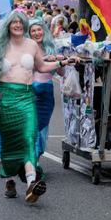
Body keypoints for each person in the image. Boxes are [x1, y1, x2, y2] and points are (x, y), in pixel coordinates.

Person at [0, 11, 75, 202]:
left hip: (26, 97)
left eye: (20, 22)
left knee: (28, 138)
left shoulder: (31, 45)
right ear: (8, 25)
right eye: (14, 22)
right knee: (10, 142)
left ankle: (32, 184)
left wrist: (63, 61)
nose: (17, 25)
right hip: (5, 99)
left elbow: (41, 67)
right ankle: (10, 179)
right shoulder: (0, 46)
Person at [28, 18, 65, 178]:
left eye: (39, 30)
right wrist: (43, 60)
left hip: (47, 93)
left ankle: (36, 158)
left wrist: (58, 60)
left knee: (42, 130)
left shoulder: (51, 48)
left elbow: (62, 74)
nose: (37, 33)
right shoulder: (26, 50)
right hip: (30, 92)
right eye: (33, 31)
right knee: (31, 128)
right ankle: (33, 164)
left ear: (44, 30)